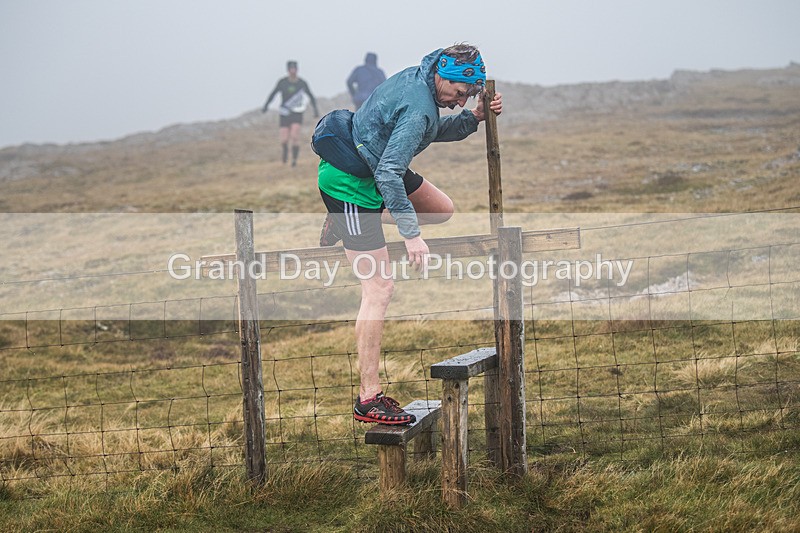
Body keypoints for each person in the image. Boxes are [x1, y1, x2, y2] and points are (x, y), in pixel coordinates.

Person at [311, 43, 502, 425]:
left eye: (468, 96)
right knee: (379, 288)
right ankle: (368, 399)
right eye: (461, 93)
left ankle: (344, 222)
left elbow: (426, 131)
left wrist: (473, 119)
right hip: (350, 181)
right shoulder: (418, 105)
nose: (460, 101)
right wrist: (410, 235)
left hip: (377, 163)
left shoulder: (423, 80)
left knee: (441, 209)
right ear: (444, 76)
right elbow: (389, 173)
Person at [262, 60, 319, 166]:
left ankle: (294, 160)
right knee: (284, 139)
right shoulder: (282, 82)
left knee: (294, 136)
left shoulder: (302, 83)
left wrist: (315, 110)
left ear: (297, 70)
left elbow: (310, 96)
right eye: (291, 69)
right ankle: (285, 154)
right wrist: (266, 106)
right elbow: (273, 94)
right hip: (284, 113)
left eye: (294, 69)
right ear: (288, 70)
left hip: (297, 113)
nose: (293, 71)